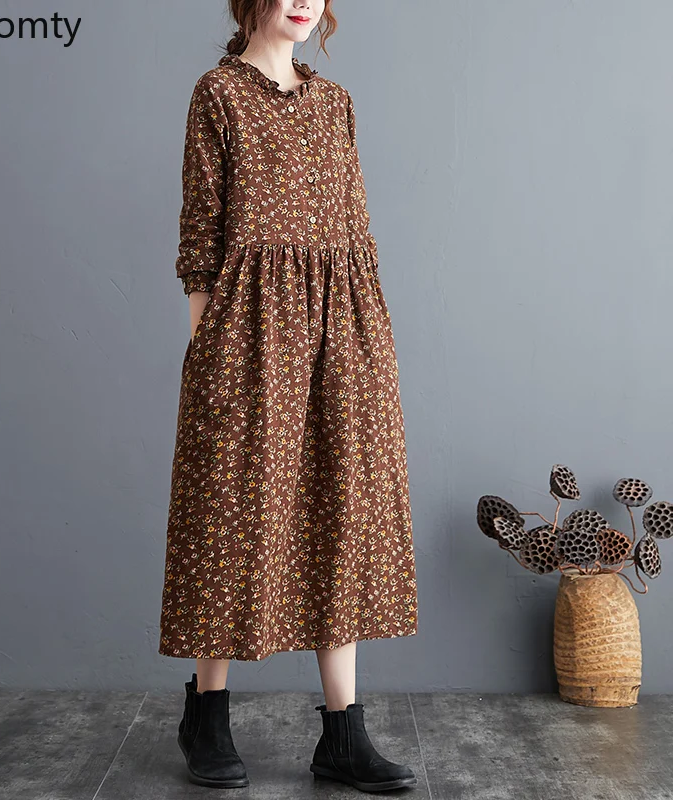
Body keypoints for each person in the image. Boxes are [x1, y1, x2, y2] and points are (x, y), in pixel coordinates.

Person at [159, 0, 418, 792]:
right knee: (230, 516)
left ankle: (343, 734)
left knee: (341, 508)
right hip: (249, 331)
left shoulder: (336, 103)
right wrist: (209, 347)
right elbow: (201, 234)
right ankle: (207, 715)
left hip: (343, 326)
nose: (304, 0)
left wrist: (371, 340)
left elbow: (357, 228)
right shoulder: (217, 93)